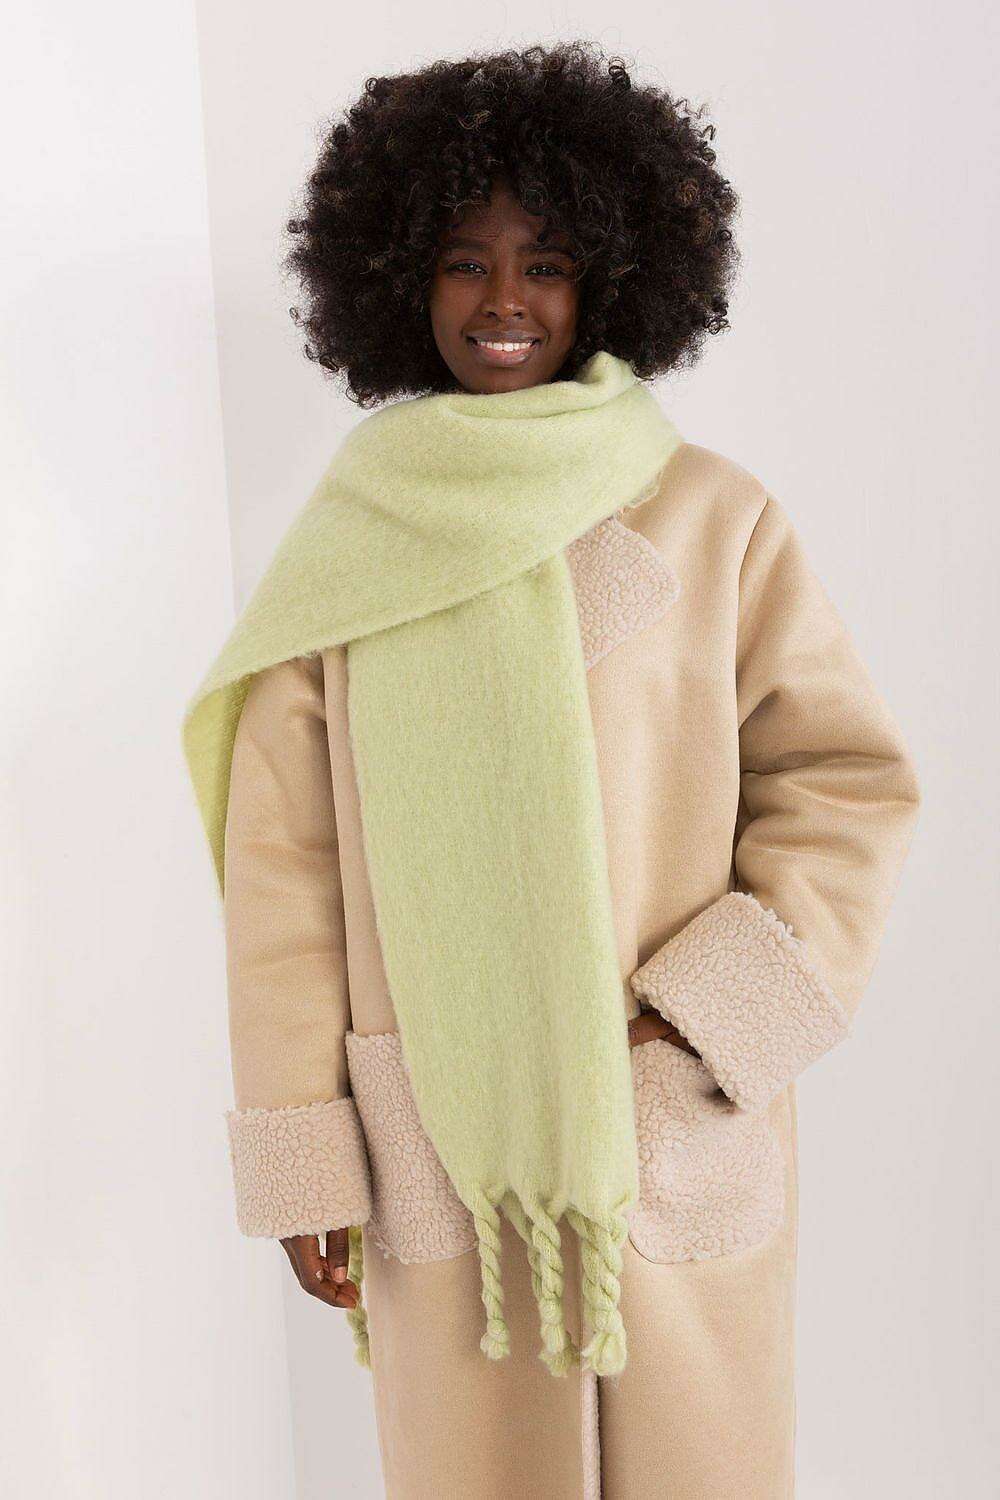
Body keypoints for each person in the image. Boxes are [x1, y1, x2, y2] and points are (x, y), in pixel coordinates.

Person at [182, 40, 921, 1498]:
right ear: (398, 280)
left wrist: (697, 1021)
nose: (504, 299)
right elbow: (285, 871)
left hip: (669, 1113)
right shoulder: (355, 553)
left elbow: (844, 784)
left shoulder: (710, 518)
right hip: (441, 1134)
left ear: (615, 282)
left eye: (548, 263)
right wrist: (306, 1144)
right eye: (462, 261)